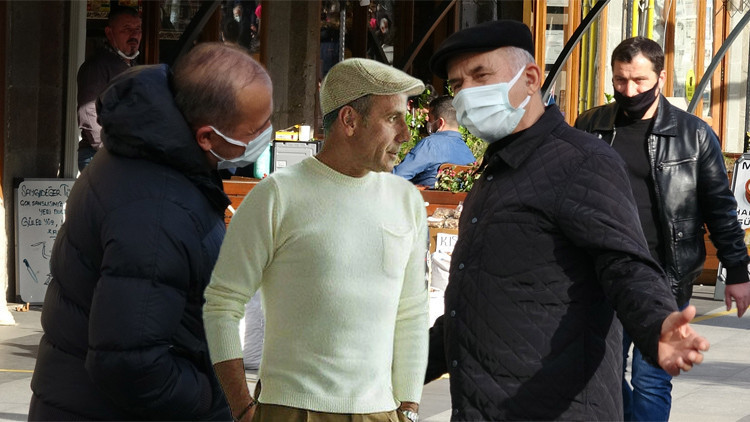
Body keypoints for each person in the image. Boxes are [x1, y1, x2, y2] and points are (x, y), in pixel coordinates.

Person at [424, 20, 710, 420]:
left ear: (530, 79)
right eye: (457, 84)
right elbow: (476, 301)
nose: (467, 93)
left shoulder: (581, 161)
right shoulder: (497, 171)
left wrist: (658, 323)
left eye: (481, 75)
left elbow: (625, 263)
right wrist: (400, 366)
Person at [28, 42, 275, 420]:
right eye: (255, 129)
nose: (266, 135)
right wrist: (213, 397)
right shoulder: (157, 211)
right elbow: (130, 365)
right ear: (206, 137)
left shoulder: (152, 152)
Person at [203, 57, 429, 422]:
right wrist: (243, 408)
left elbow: (412, 311)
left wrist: (409, 407)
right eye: (392, 118)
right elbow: (222, 304)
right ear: (349, 120)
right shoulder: (277, 196)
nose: (405, 134)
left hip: (382, 411)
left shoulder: (407, 202)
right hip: (291, 410)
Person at [575, 36, 750, 421]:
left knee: (652, 378)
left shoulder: (694, 134)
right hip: (605, 275)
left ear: (661, 77)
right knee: (600, 371)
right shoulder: (591, 126)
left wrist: (737, 271)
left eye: (639, 80)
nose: (629, 91)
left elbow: (720, 208)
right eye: (620, 80)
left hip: (667, 277)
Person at [76, 5, 142, 171]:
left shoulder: (133, 66)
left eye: (138, 29)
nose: (134, 35)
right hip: (103, 157)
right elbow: (87, 112)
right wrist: (109, 150)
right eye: (126, 29)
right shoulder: (98, 66)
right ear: (109, 32)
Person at [393, 95, 475, 188]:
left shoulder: (430, 144)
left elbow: (397, 176)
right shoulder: (468, 154)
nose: (426, 120)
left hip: (424, 197)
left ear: (440, 122)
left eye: (430, 118)